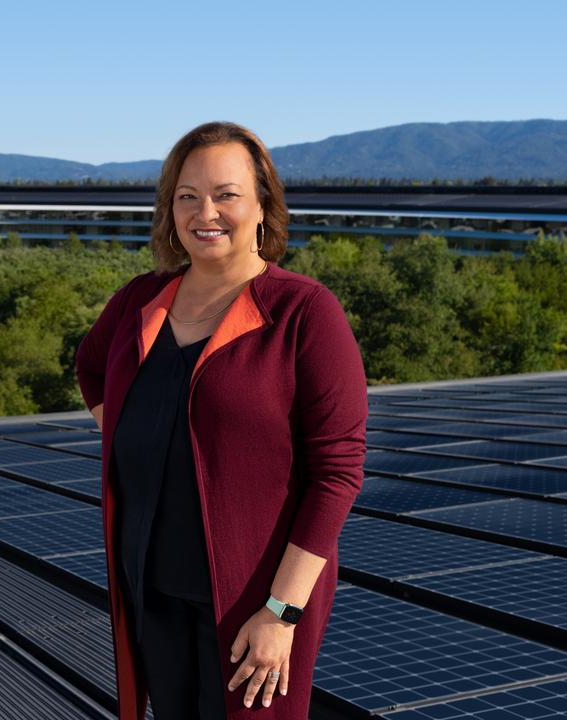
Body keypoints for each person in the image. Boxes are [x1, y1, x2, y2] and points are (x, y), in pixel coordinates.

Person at [75, 121, 367, 720]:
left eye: (226, 194)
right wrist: (138, 442)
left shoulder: (303, 312)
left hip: (253, 609)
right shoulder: (140, 300)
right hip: (151, 595)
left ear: (263, 205)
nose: (205, 211)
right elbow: (91, 366)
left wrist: (282, 612)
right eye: (187, 196)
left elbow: (337, 472)